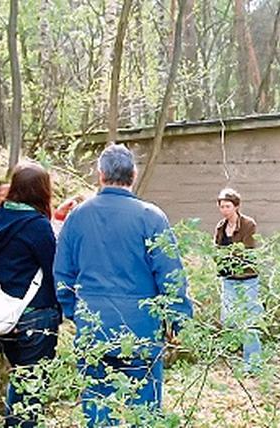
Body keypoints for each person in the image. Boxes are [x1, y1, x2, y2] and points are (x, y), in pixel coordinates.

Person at [54, 144, 193, 425]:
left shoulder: (78, 217)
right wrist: (178, 320)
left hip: (94, 327)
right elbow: (170, 275)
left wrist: (75, 313)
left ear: (100, 174)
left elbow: (62, 276)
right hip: (141, 329)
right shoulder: (151, 217)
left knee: (97, 406)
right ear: (134, 174)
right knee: (144, 410)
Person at [0, 163, 60, 427]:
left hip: (5, 315)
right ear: (42, 191)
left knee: (21, 379)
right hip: (35, 315)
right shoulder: (37, 226)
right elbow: (54, 269)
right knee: (32, 389)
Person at [213, 188, 263, 370]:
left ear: (236, 206)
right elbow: (216, 250)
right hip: (228, 277)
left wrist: (228, 255)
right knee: (229, 319)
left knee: (249, 321)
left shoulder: (248, 224)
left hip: (247, 277)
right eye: (222, 206)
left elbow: (247, 249)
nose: (224, 210)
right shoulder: (220, 227)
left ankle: (253, 364)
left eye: (228, 206)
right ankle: (239, 355)